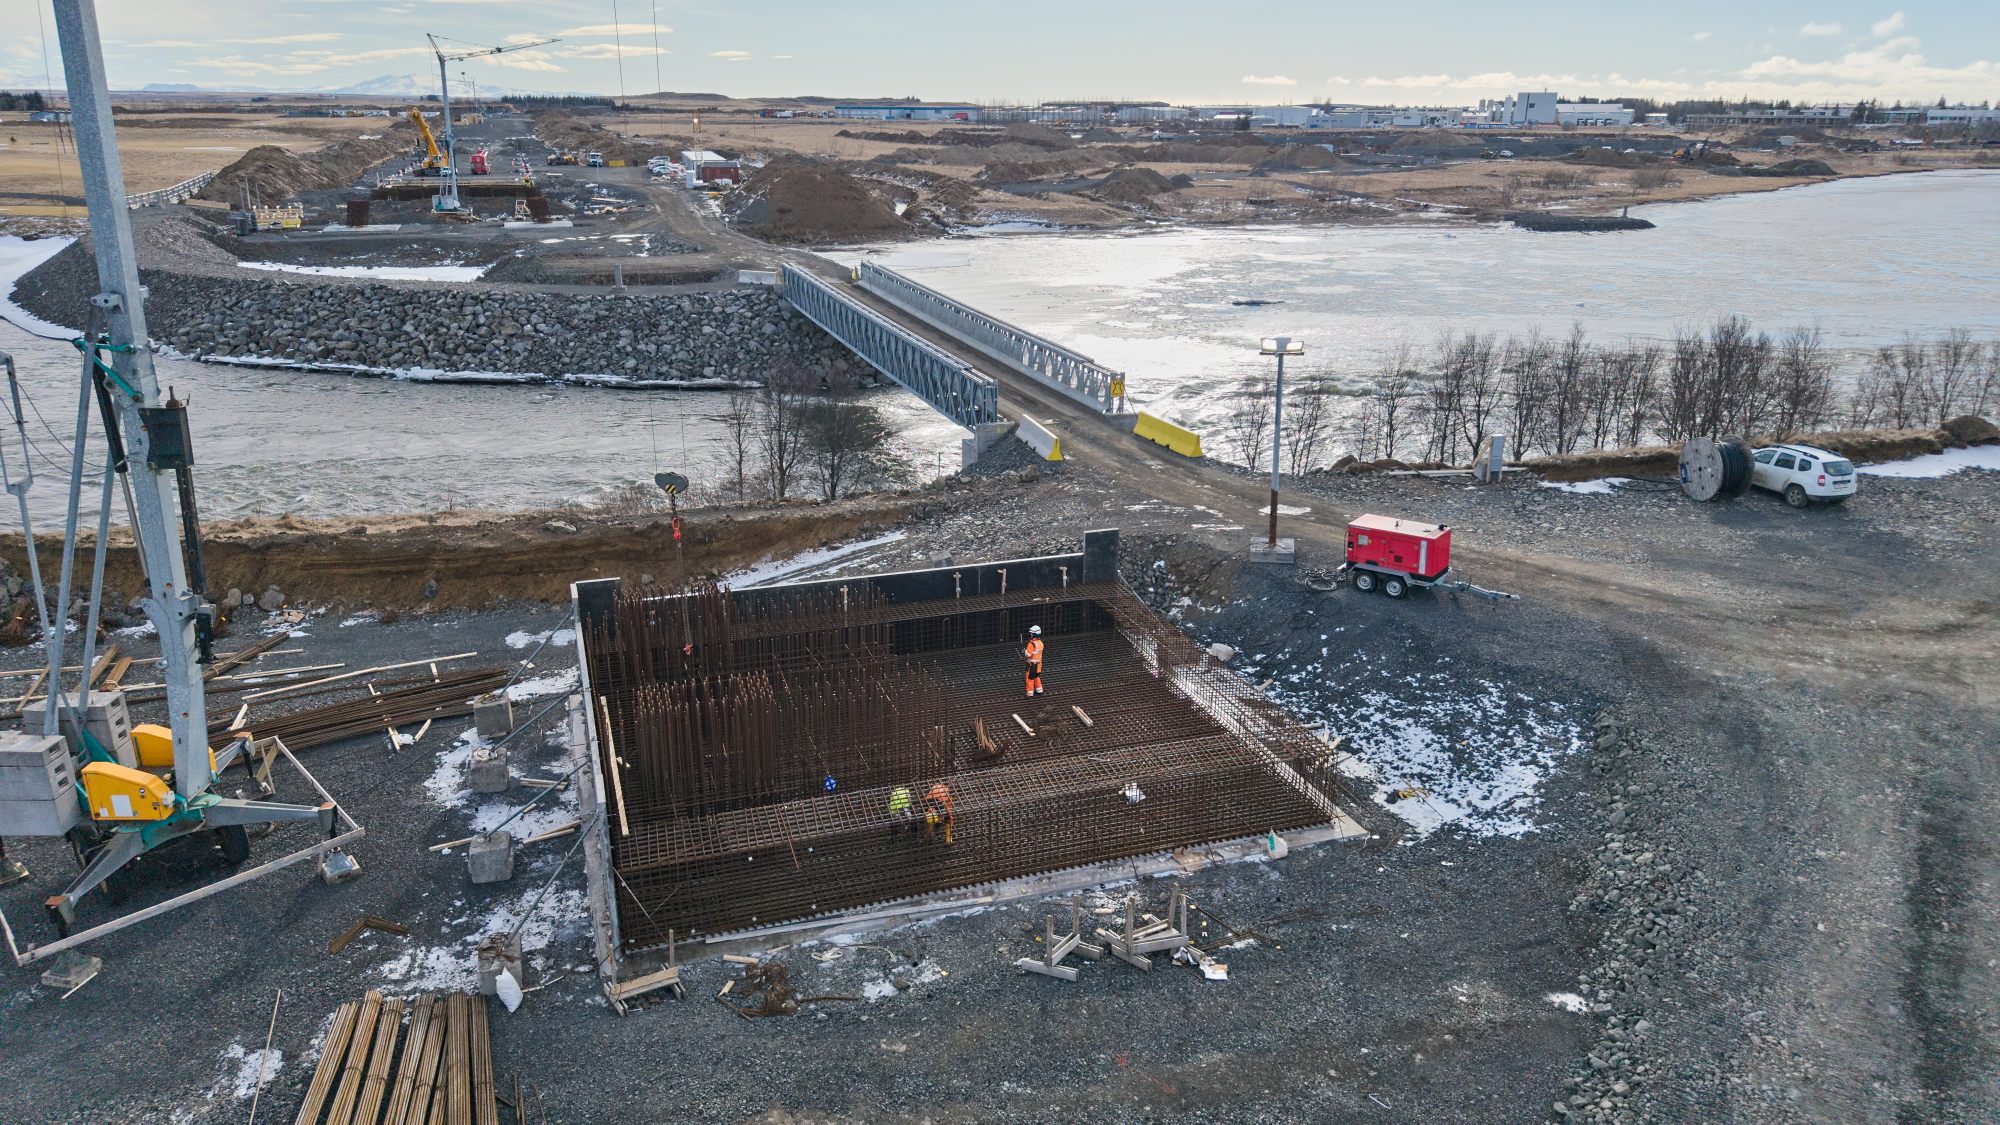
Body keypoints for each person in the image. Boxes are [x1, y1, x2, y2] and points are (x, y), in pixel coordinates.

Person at [1024, 625, 1044, 698]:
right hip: (1039, 665)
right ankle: (1039, 691)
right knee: (1036, 677)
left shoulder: (1031, 644)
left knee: (1029, 679)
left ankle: (1030, 694)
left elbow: (1028, 655)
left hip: (1032, 665)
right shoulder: (1040, 643)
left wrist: (1025, 651)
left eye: (1031, 633)